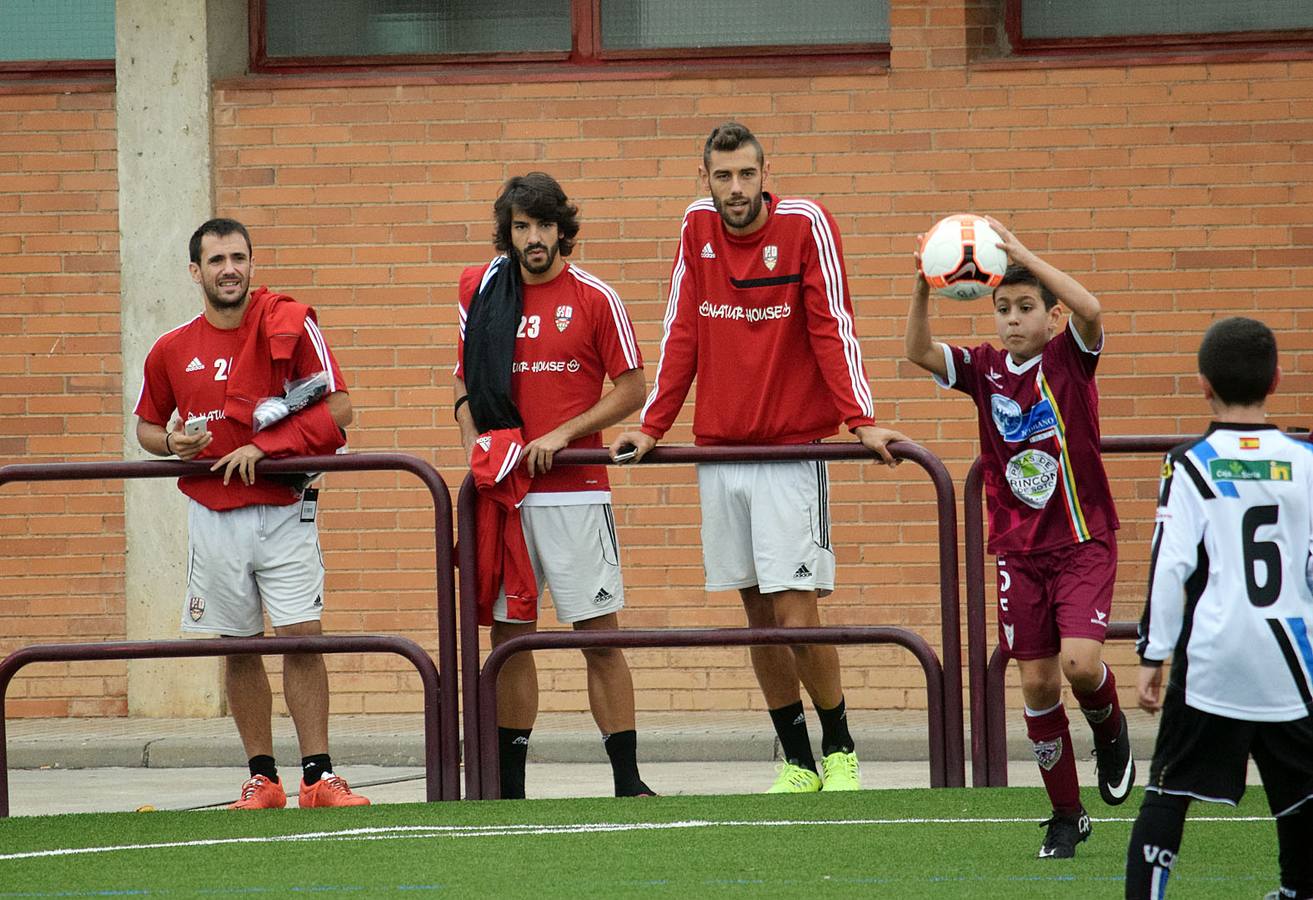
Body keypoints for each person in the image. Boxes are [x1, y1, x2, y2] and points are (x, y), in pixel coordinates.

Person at [610, 122, 908, 794]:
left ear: (764, 174)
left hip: (789, 454)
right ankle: (796, 760)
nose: (735, 189)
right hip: (721, 453)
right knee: (757, 618)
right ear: (705, 178)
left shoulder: (805, 225)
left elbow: (833, 323)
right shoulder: (695, 227)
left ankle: (839, 748)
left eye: (746, 175)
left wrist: (858, 419)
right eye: (722, 176)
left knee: (795, 615)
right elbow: (680, 328)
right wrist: (653, 425)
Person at [904, 217, 1133, 857]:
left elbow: (1091, 307)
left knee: (1080, 664)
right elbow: (918, 352)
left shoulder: (1070, 357)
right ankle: (1067, 813)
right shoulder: (983, 370)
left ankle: (1109, 728)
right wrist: (923, 284)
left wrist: (1026, 254)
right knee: (1035, 684)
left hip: (1083, 540)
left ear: (1049, 317)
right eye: (1002, 307)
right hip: (1017, 551)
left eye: (1026, 308)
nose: (1011, 319)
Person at [134, 218, 368, 810]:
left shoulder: (289, 324)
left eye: (238, 257)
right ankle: (262, 779)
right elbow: (146, 428)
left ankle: (319, 777)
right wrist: (172, 443)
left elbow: (340, 408)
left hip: (285, 506)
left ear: (252, 264)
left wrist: (264, 446)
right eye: (216, 260)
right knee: (239, 646)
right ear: (196, 272)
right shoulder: (170, 348)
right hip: (212, 514)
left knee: (302, 641)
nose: (229, 268)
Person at [454, 172, 653, 799]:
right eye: (521, 226)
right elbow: (463, 388)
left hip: (576, 491)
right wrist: (477, 450)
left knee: (598, 638)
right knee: (509, 641)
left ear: (562, 229)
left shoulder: (595, 296)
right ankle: (510, 790)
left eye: (543, 225)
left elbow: (633, 388)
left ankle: (627, 782)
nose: (533, 238)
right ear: (507, 233)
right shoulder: (485, 295)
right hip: (505, 496)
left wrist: (562, 436)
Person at [1125, 317, 1313, 900]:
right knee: (1303, 794)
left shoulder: (1190, 463)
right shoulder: (1306, 462)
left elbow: (1170, 565)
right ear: (1277, 380)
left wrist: (1153, 655)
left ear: (1203, 385)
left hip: (1214, 656)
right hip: (1293, 656)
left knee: (1168, 790)